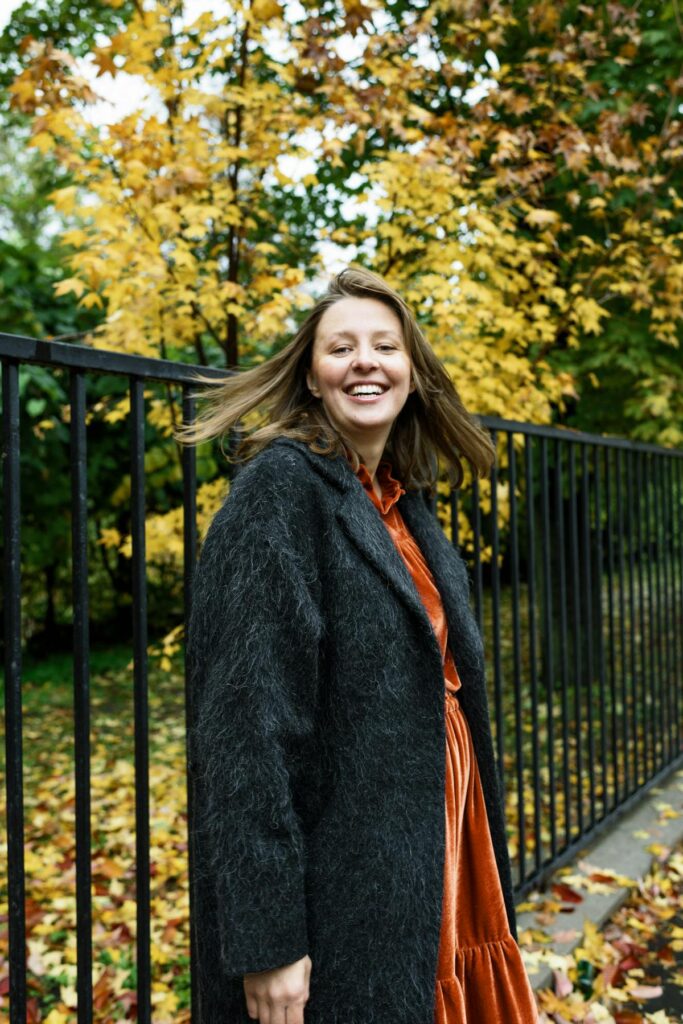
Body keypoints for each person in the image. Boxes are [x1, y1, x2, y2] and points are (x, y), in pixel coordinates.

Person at [176, 266, 539, 1024]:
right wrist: (268, 941)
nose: (365, 361)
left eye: (385, 345)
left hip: (435, 854)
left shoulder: (402, 504)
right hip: (349, 880)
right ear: (311, 378)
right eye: (341, 348)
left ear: (412, 373)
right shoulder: (279, 494)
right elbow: (246, 736)